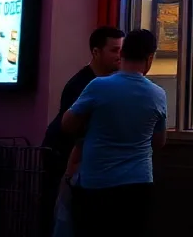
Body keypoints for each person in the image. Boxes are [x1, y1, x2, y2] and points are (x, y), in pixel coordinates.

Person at [63, 29, 167, 237]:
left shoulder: (99, 86)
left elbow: (67, 124)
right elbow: (159, 141)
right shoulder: (158, 94)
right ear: (149, 58)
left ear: (123, 54)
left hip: (97, 182)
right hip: (138, 183)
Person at [40, 26, 125, 234]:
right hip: (62, 159)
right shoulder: (80, 85)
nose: (119, 56)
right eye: (114, 50)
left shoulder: (105, 83)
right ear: (96, 52)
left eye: (122, 51)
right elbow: (74, 130)